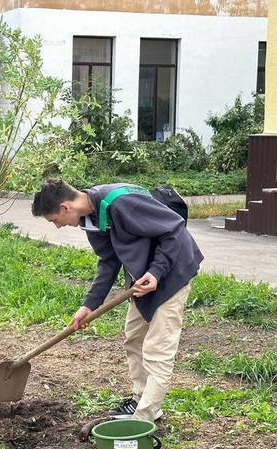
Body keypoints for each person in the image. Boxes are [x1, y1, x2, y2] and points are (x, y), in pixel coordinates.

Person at [31, 178, 203, 422]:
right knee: (134, 337)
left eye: (54, 220)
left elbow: (174, 227)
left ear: (65, 208)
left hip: (172, 272)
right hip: (143, 280)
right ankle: (142, 400)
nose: (57, 226)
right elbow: (109, 260)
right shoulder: (91, 219)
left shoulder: (122, 203)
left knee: (157, 349)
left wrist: (156, 272)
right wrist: (89, 305)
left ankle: (143, 419)